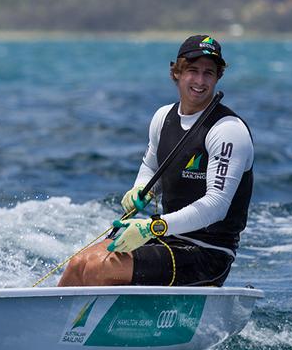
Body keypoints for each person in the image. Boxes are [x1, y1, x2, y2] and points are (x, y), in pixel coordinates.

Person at [58, 35, 254, 287]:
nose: (200, 81)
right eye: (193, 71)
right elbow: (152, 167)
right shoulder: (163, 117)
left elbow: (216, 206)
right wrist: (140, 189)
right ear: (177, 73)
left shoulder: (228, 130)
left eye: (209, 73)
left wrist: (154, 227)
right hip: (167, 238)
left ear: (217, 78)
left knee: (99, 268)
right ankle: (50, 324)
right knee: (79, 264)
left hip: (207, 253)